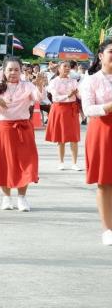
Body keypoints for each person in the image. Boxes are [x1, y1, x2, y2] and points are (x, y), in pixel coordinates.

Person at [0, 57, 46, 211]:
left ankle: (22, 198)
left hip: (22, 129)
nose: (13, 73)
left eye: (16, 69)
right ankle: (6, 197)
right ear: (4, 71)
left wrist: (40, 86)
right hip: (2, 129)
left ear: (21, 71)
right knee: (4, 164)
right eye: (10, 69)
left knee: (26, 163)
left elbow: (39, 98)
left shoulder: (27, 85)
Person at [80, 39, 112, 245]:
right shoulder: (91, 80)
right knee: (105, 181)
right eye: (111, 51)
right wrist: (108, 107)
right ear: (101, 56)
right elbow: (88, 109)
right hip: (103, 131)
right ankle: (108, 229)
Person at [45, 61, 81, 171]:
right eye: (64, 66)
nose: (67, 68)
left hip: (72, 109)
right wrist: (68, 95)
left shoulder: (73, 81)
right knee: (61, 137)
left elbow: (80, 95)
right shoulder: (54, 82)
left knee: (74, 137)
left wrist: (80, 92)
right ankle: (61, 162)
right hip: (60, 109)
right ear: (59, 69)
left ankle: (75, 163)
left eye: (69, 67)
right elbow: (55, 97)